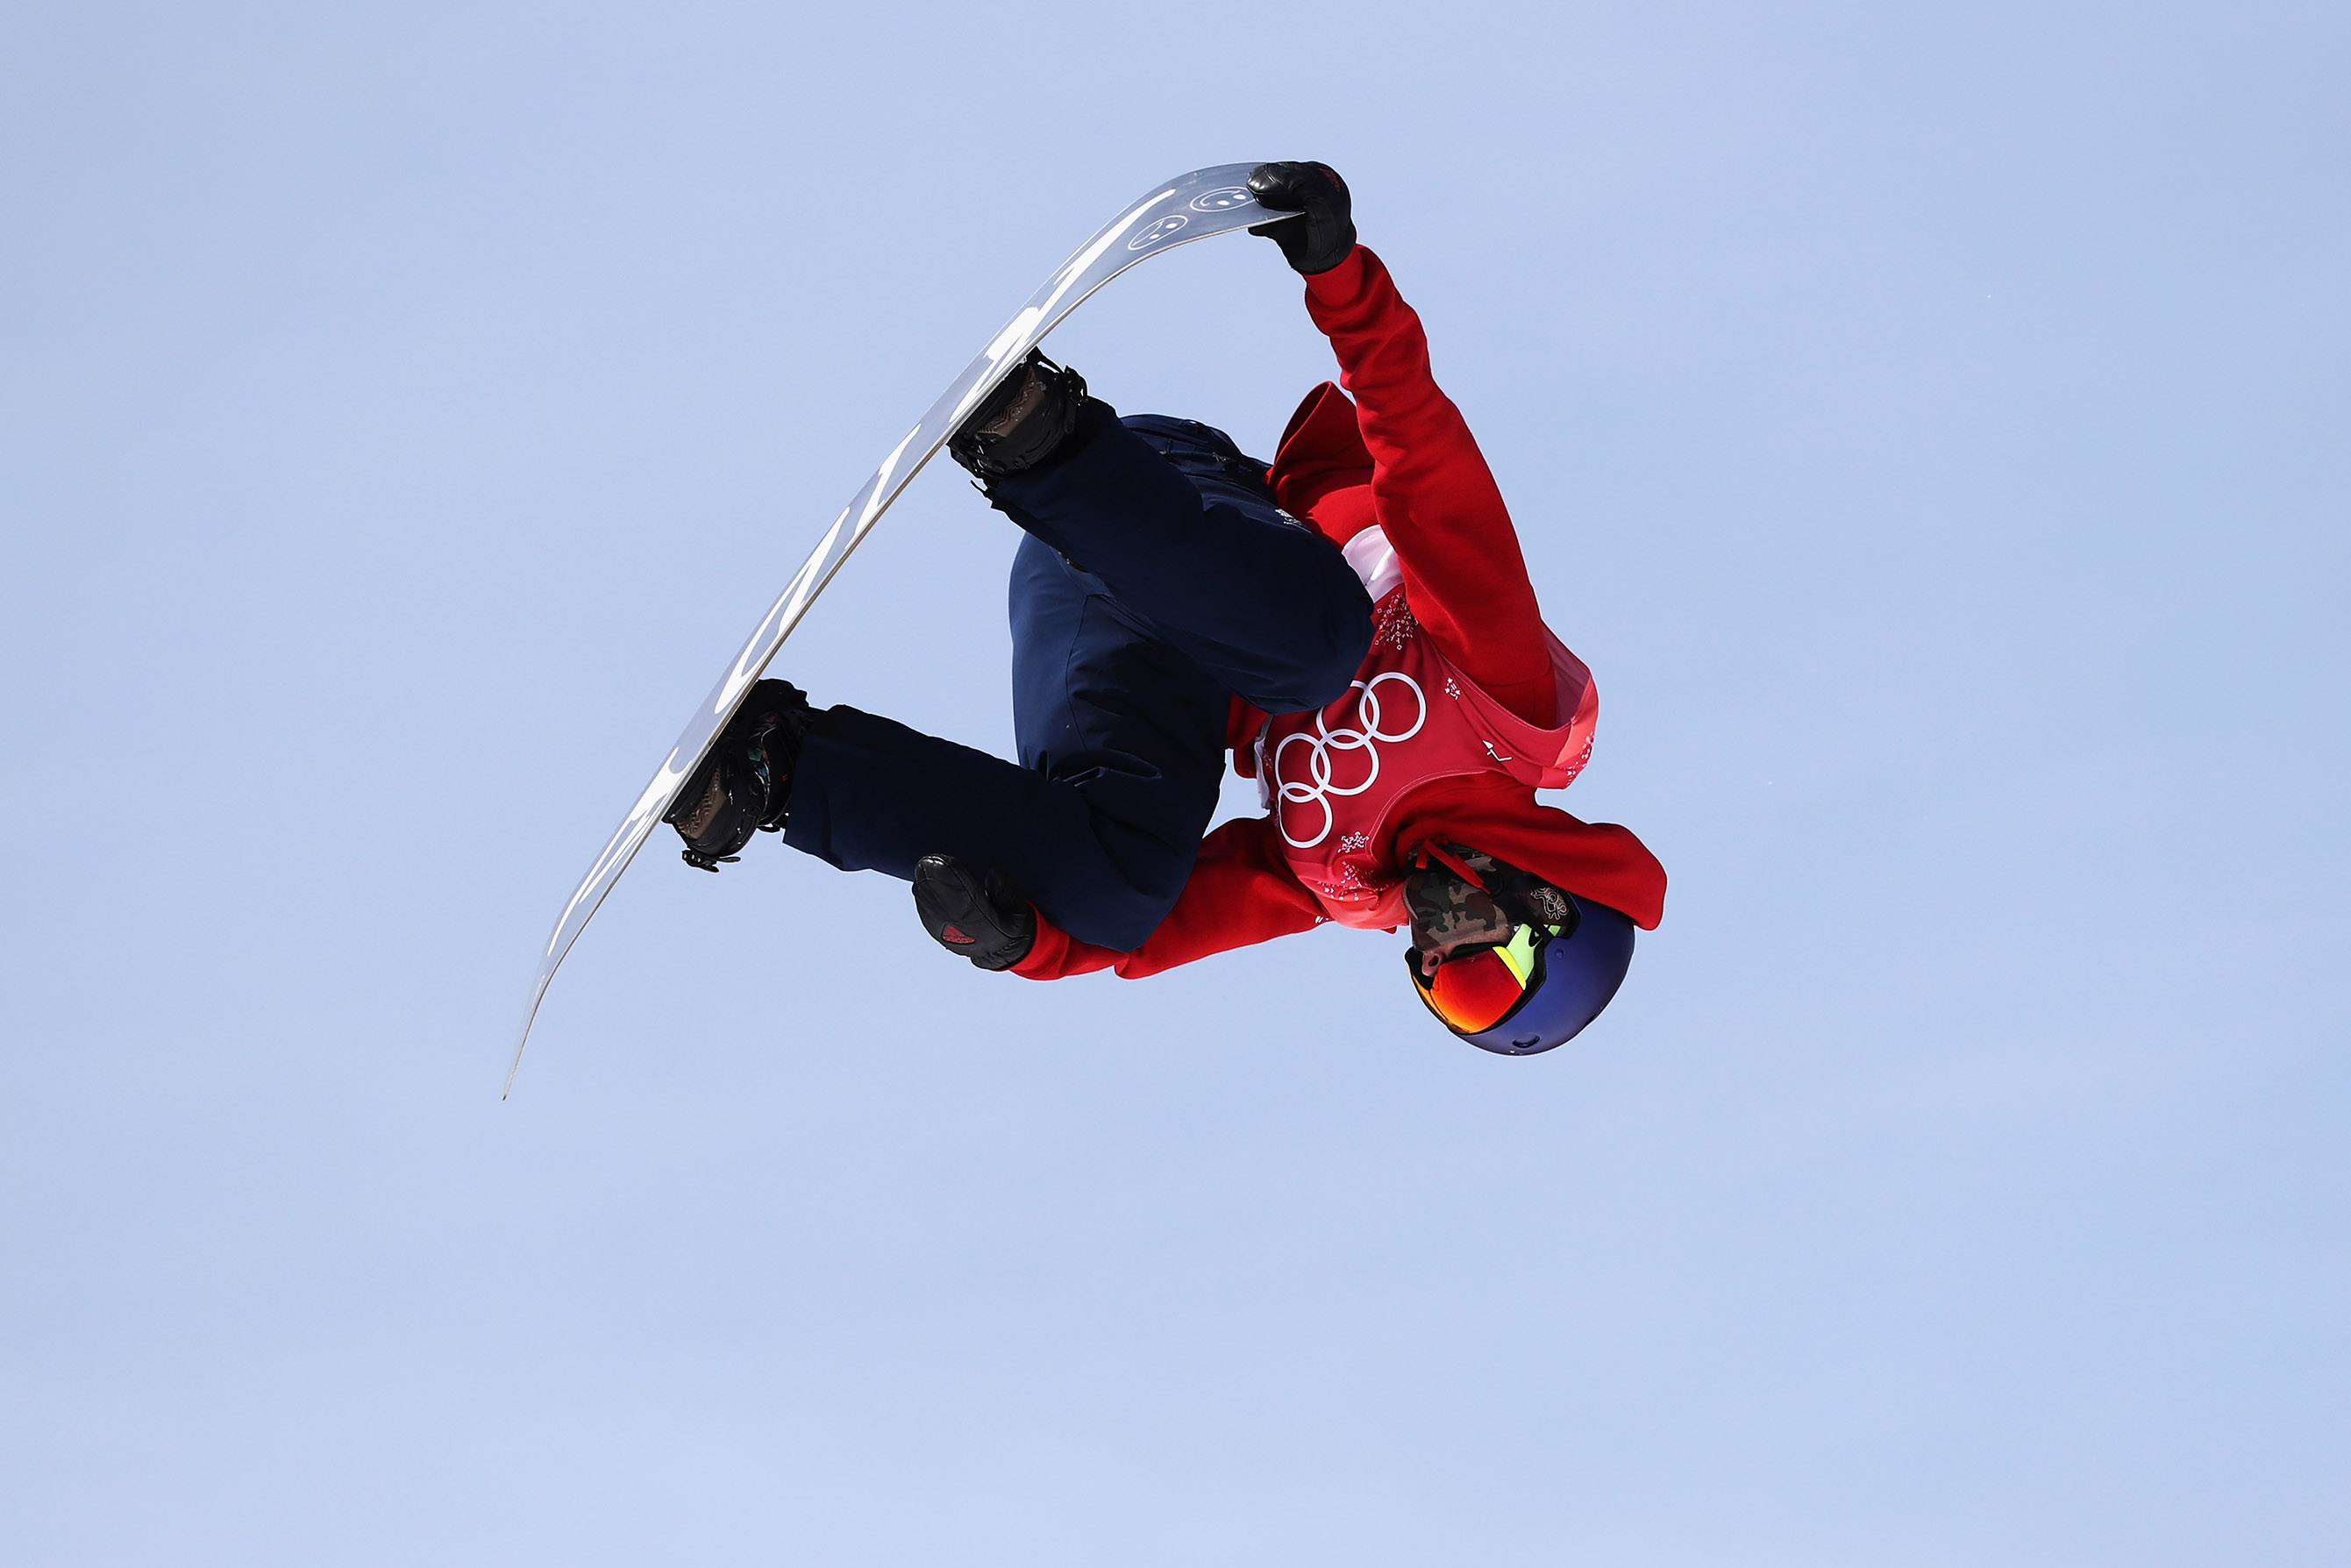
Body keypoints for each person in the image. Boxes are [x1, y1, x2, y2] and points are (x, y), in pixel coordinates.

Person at [664, 162, 1667, 1054]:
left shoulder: (1346, 884)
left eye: (1444, 999)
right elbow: (1431, 475)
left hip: (1097, 619)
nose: (1437, 962)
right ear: (1543, 905)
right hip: (1165, 499)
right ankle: (1035, 436)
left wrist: (1028, 944)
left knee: (1117, 893)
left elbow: (1156, 935)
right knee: (1319, 650)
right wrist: (1342, 281)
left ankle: (781, 767)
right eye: (1480, 975)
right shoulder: (1512, 722)